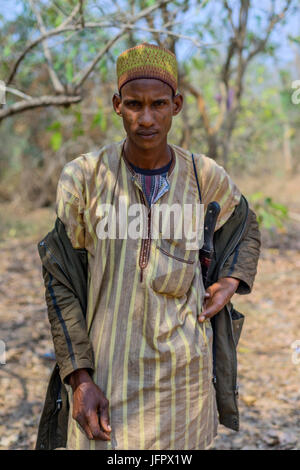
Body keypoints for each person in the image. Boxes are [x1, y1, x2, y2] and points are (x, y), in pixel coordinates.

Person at [35, 43, 261, 450]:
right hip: (107, 380)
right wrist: (80, 378)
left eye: (158, 104)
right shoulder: (85, 178)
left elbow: (245, 224)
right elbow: (61, 282)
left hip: (184, 385)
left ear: (175, 105)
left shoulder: (202, 174)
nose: (146, 118)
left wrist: (230, 281)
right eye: (134, 105)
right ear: (117, 105)